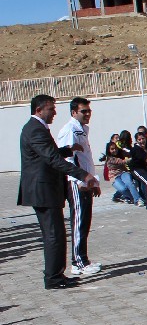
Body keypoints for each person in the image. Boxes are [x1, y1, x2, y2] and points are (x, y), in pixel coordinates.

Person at [19, 95, 97, 289]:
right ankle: (53, 278)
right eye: (51, 109)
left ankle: (56, 275)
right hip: (43, 190)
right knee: (54, 234)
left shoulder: (37, 129)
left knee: (56, 234)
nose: (54, 112)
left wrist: (68, 150)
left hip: (46, 190)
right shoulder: (35, 129)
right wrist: (84, 175)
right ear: (38, 110)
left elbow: (50, 153)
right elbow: (52, 159)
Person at [55, 97, 100, 276]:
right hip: (76, 182)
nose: (88, 114)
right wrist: (82, 181)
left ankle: (83, 258)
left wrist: (93, 182)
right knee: (79, 221)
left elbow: (86, 159)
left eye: (89, 111)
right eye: (84, 111)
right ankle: (78, 262)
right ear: (74, 112)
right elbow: (68, 158)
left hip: (85, 182)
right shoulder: (70, 130)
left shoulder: (82, 130)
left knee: (85, 221)